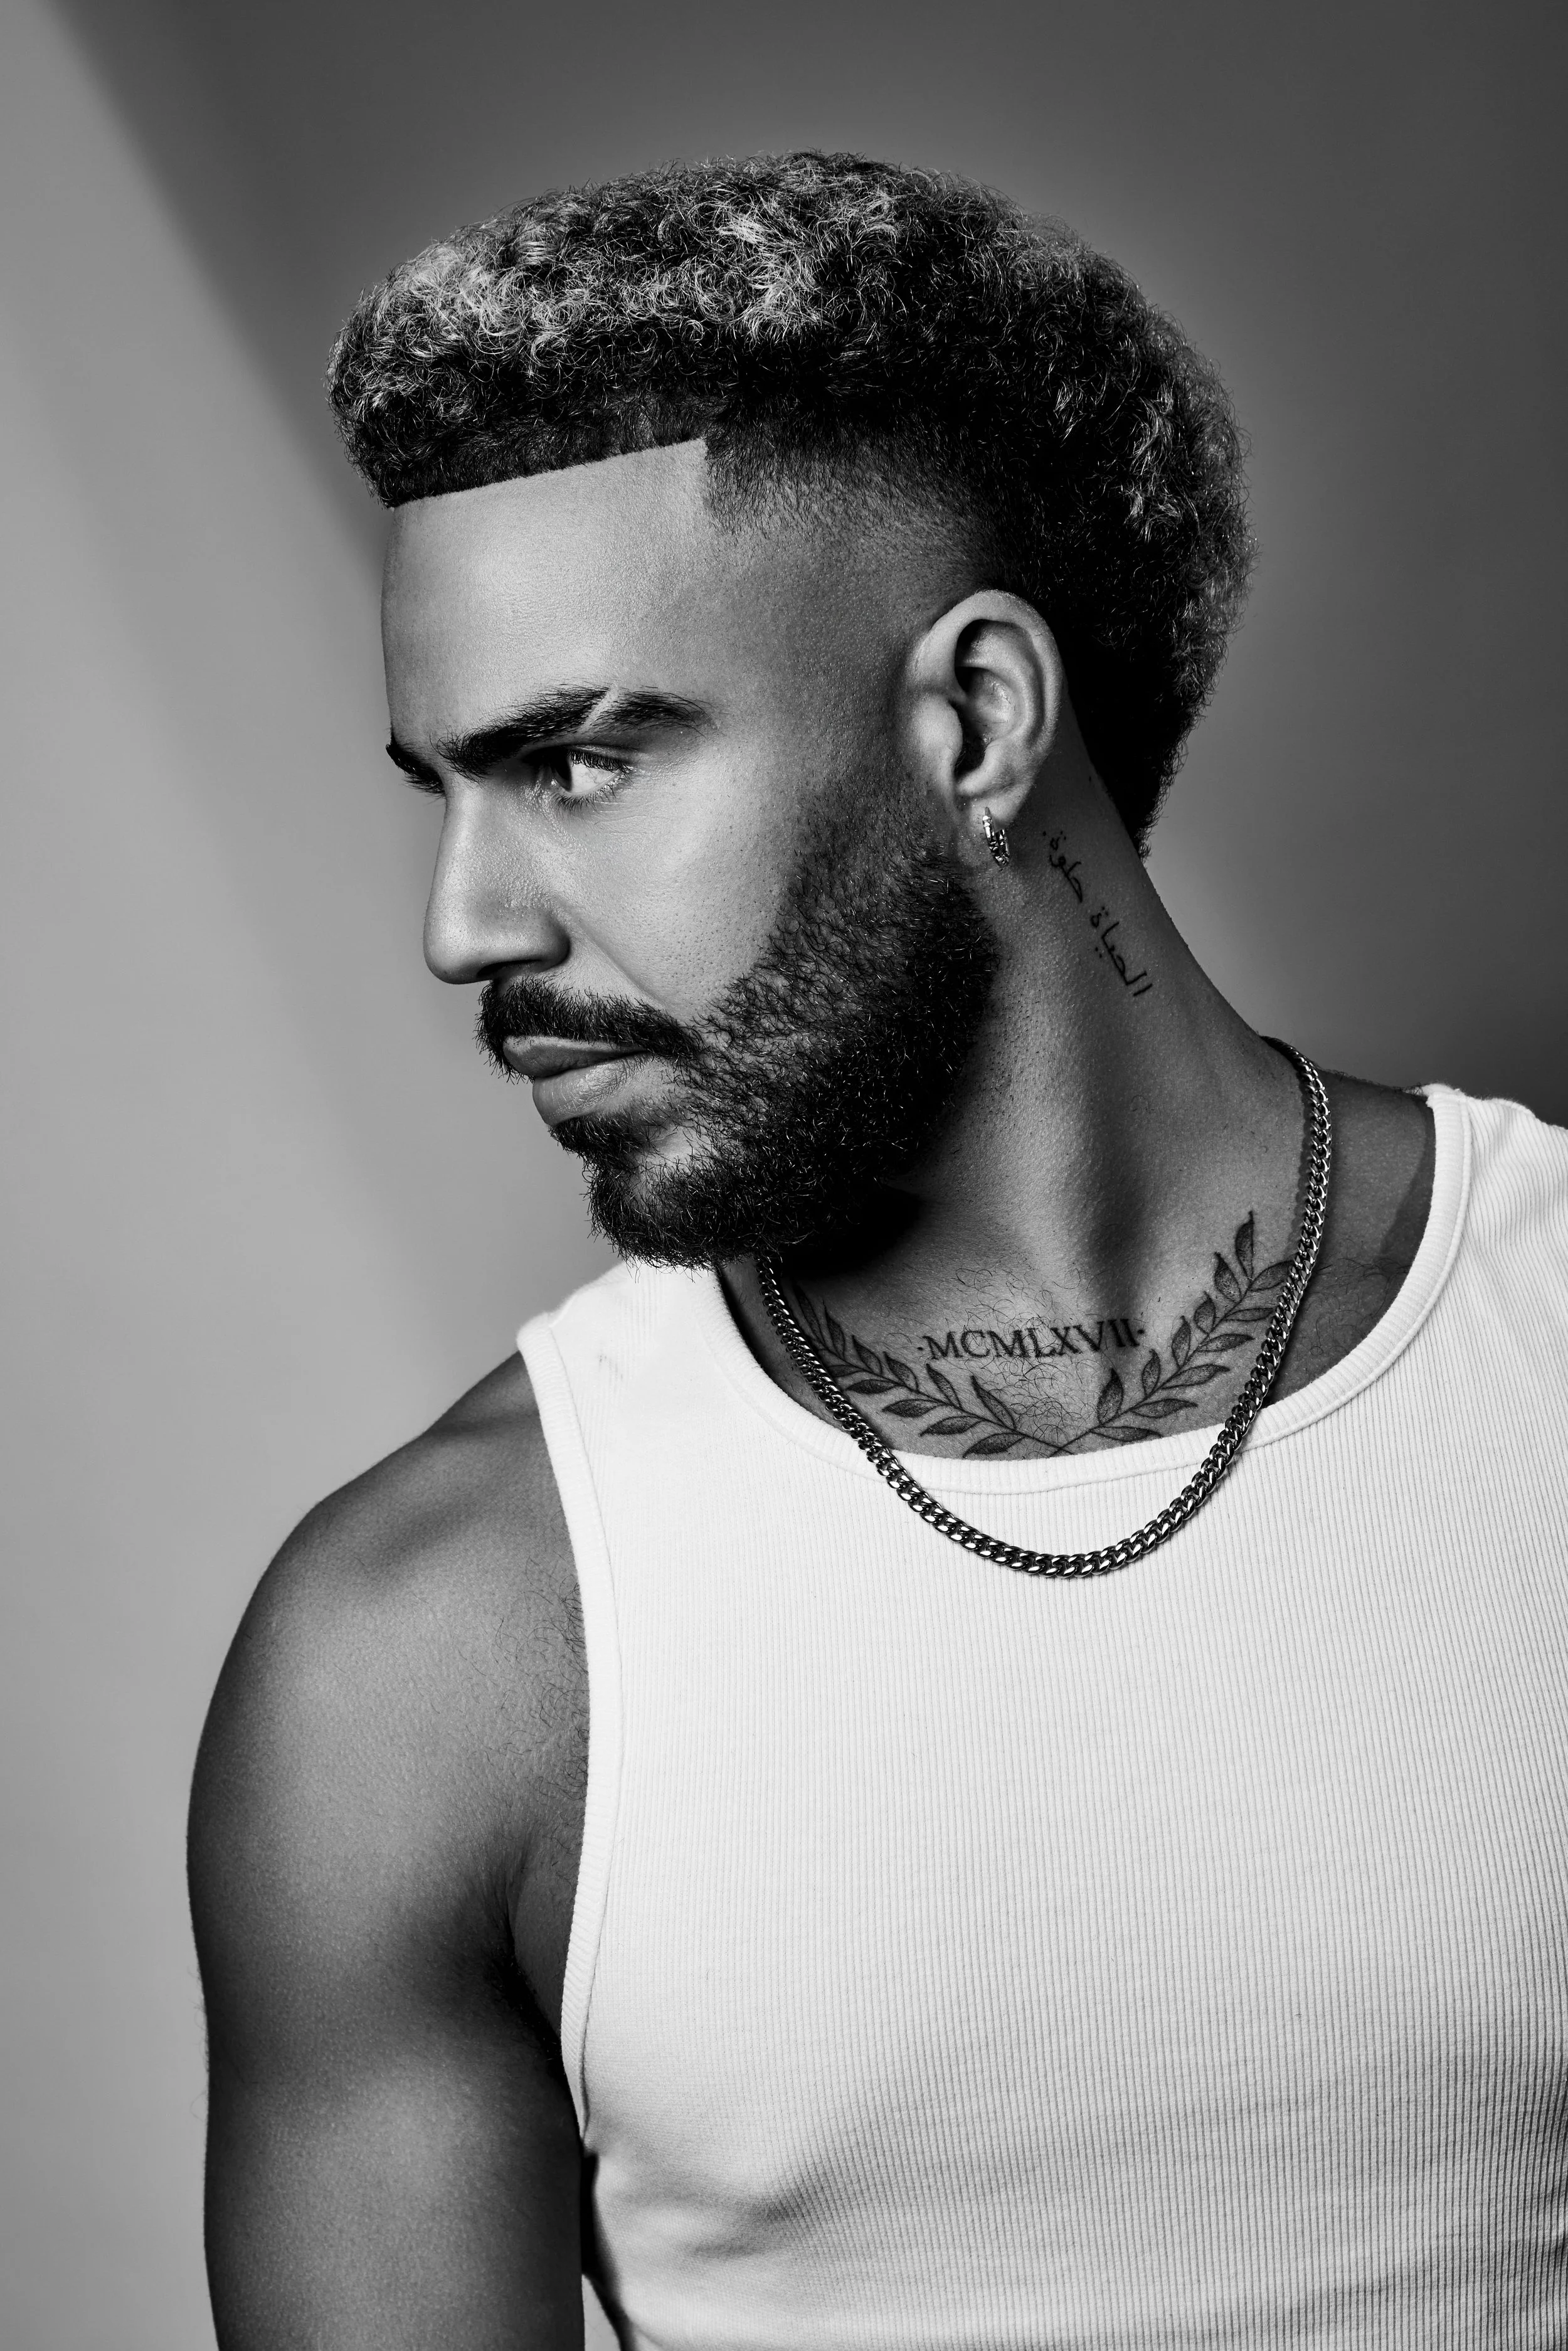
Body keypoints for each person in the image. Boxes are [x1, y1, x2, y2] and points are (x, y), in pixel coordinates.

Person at [188, 152, 1568, 2348]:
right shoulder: (429, 1659)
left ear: (975, 721)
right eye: (441, 790)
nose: (464, 926)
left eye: (574, 764)